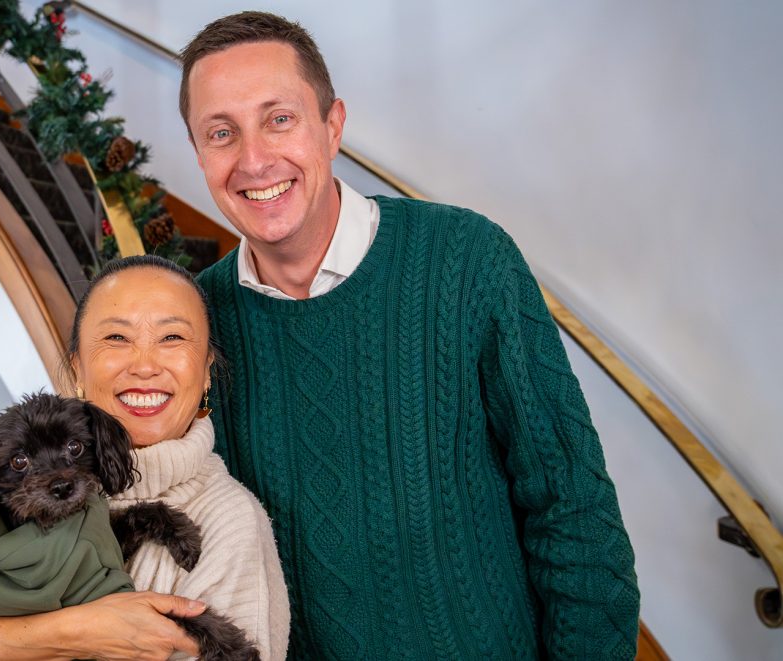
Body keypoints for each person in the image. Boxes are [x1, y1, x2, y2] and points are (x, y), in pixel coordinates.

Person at [184, 11, 640, 660]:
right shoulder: (195, 325)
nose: (254, 159)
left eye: (278, 118)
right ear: (199, 154)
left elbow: (572, 506)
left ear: (331, 125)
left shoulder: (466, 258)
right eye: (220, 132)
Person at [0, 256, 290, 661]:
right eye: (117, 337)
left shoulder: (230, 519)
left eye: (172, 337)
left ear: (206, 371)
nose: (145, 365)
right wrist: (77, 630)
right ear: (77, 370)